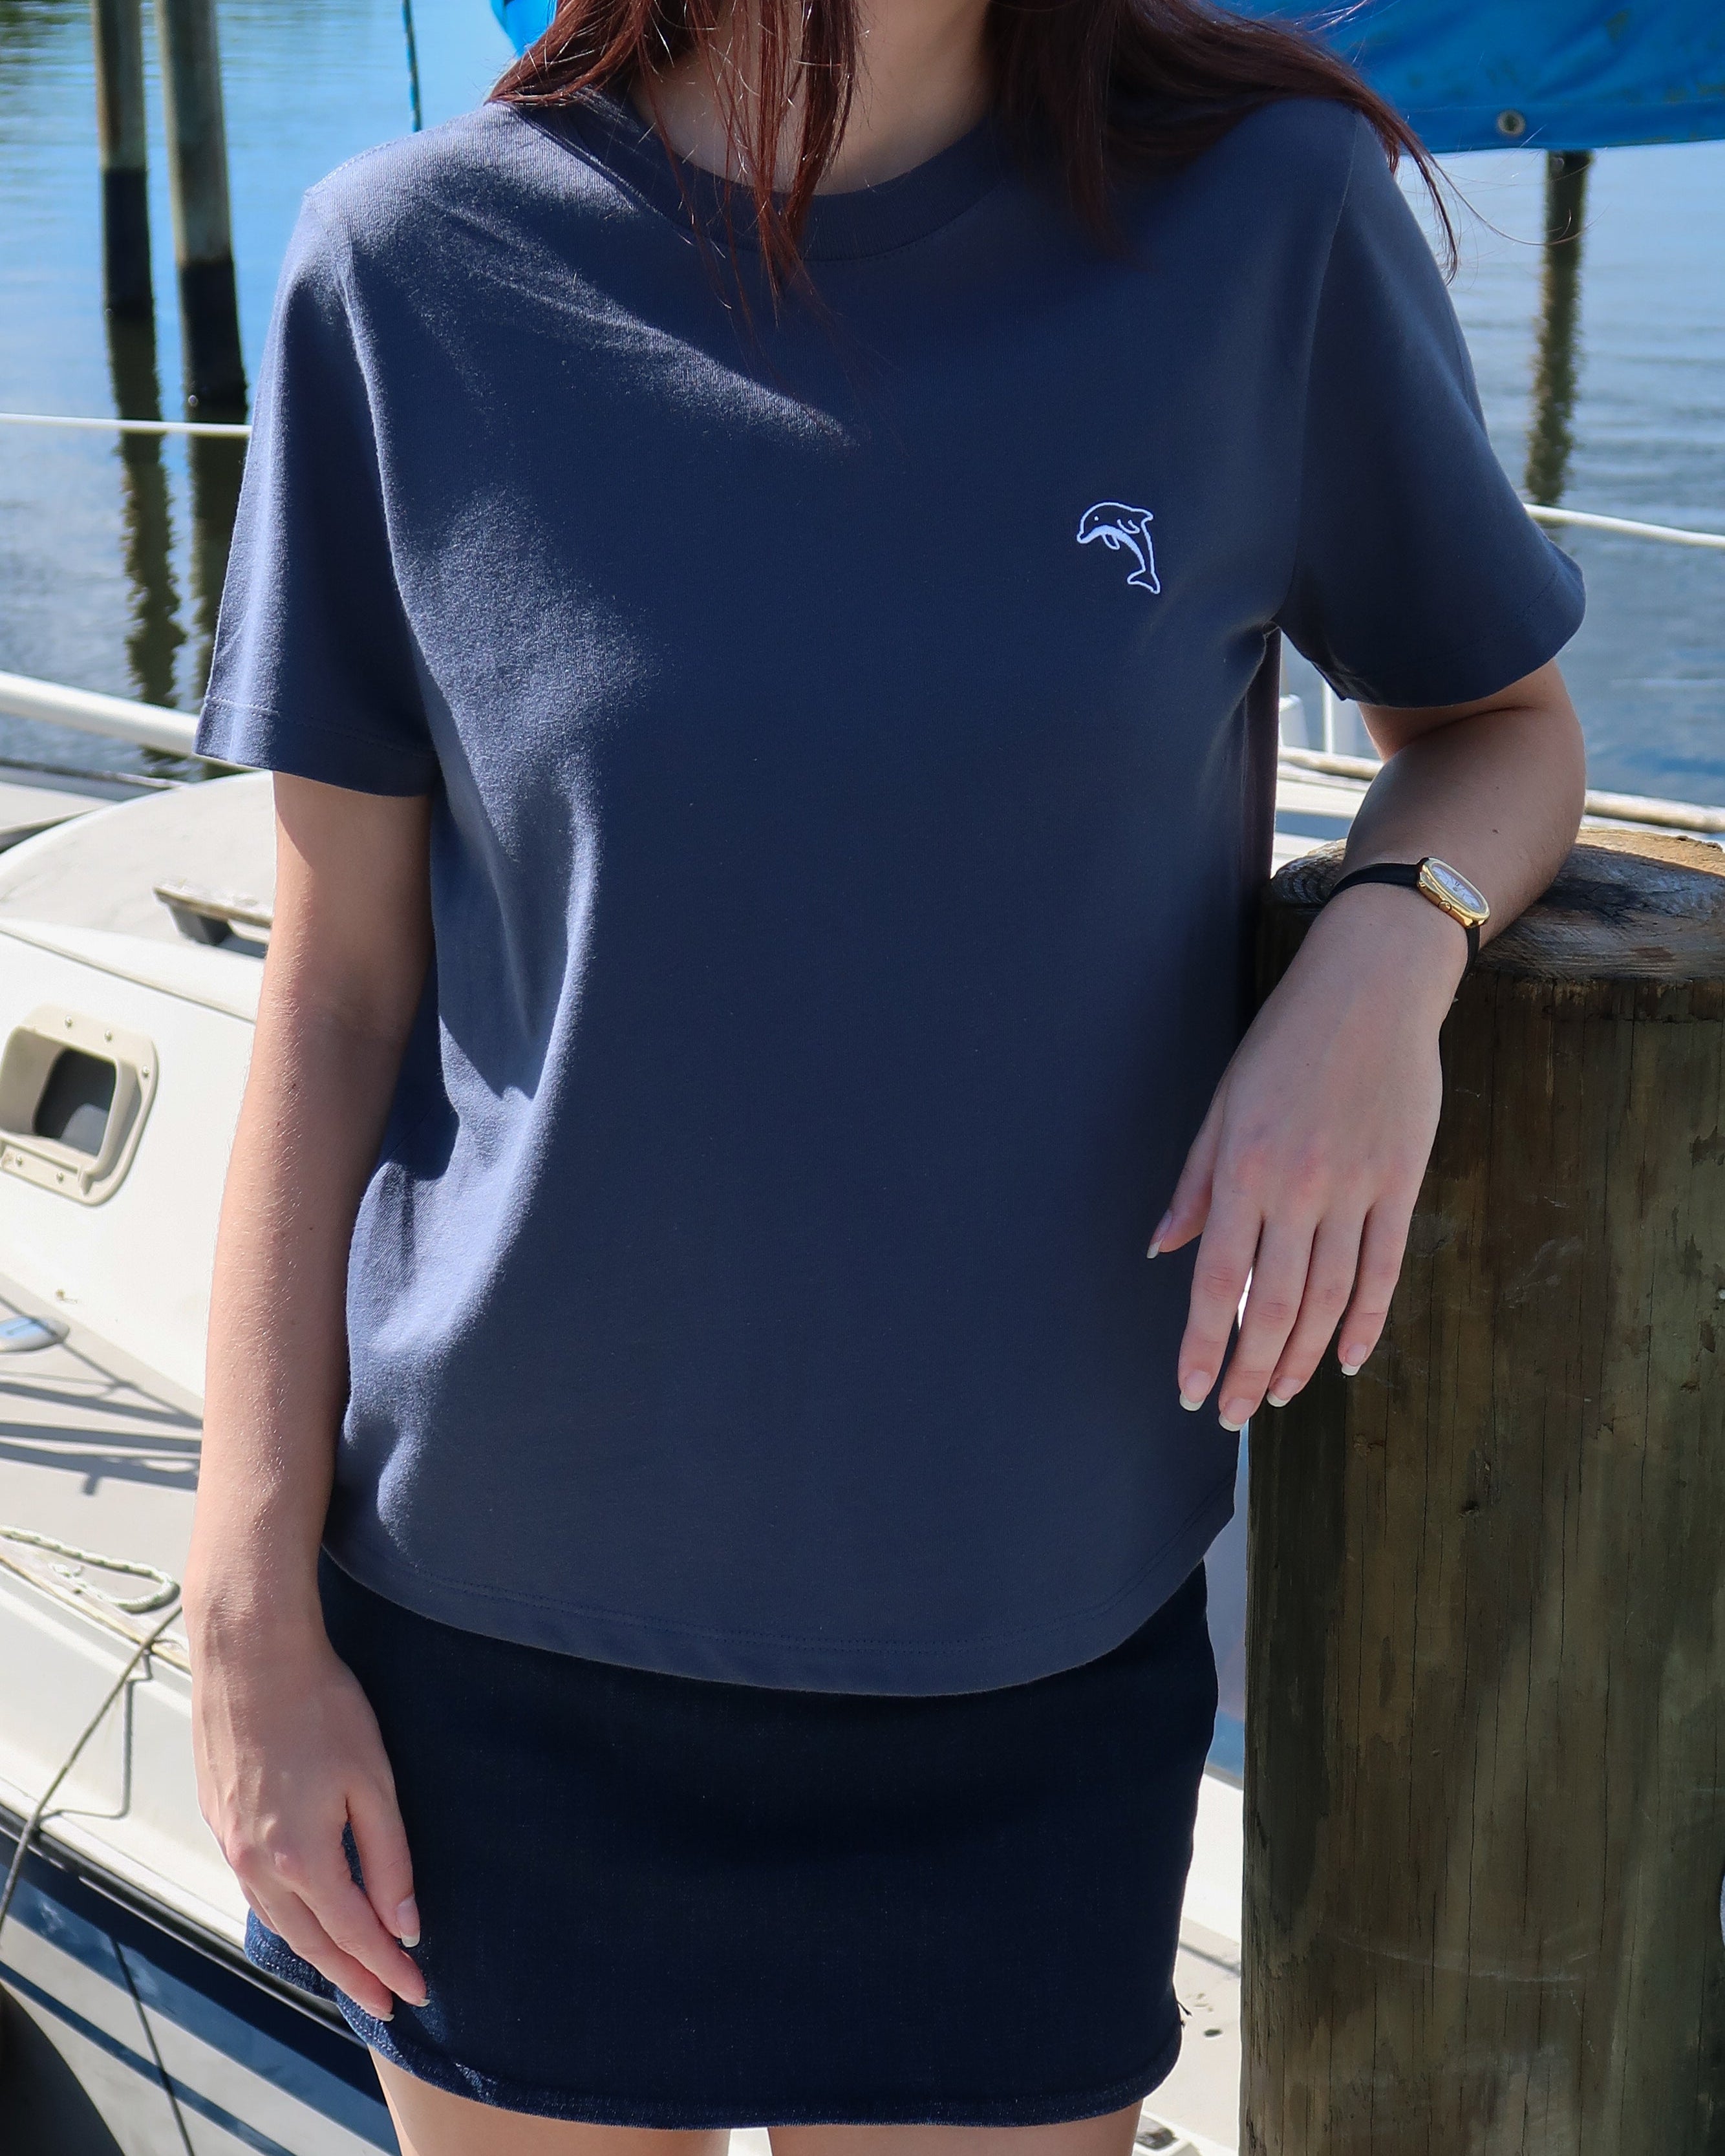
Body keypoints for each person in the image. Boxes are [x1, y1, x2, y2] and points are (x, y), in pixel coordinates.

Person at [184, 0, 1587, 2146]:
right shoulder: (407, 270)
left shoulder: (1265, 218)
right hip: (489, 1650)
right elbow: (338, 991)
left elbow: (1497, 725)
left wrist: (1387, 951)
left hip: (1023, 1656)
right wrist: (245, 1616)